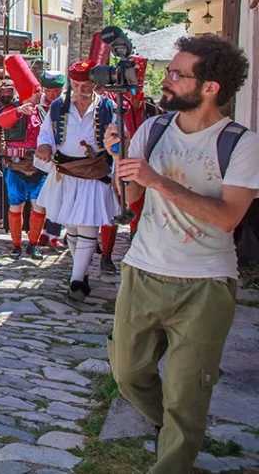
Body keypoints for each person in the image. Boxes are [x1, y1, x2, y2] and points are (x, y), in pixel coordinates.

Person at [106, 35, 257, 474]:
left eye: (177, 74)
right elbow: (132, 197)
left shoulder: (242, 144)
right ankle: (170, 426)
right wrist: (120, 160)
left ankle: (174, 452)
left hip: (206, 282)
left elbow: (227, 218)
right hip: (143, 271)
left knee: (188, 391)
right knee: (128, 374)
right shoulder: (153, 129)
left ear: (209, 87)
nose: (166, 80)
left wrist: (158, 180)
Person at [35, 60, 120, 302]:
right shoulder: (58, 107)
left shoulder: (108, 107)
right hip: (65, 173)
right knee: (71, 226)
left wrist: (116, 172)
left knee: (87, 224)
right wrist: (44, 146)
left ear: (95, 84)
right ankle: (80, 272)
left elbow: (117, 141)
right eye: (76, 85)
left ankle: (76, 280)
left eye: (86, 85)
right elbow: (46, 133)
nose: (81, 90)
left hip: (94, 174)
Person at [97, 56, 161, 272]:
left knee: (137, 207)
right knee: (112, 209)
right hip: (114, 160)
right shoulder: (111, 103)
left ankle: (136, 250)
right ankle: (106, 255)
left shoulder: (150, 108)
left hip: (142, 162)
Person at [0, 86, 48, 260]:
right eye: (36, 91)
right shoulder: (11, 109)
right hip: (15, 167)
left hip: (39, 167)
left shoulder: (44, 112)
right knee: (16, 205)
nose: (40, 94)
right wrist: (18, 111)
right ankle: (16, 245)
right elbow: (2, 121)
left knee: (39, 205)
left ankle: (33, 244)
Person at [37, 70, 66, 250]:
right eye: (48, 90)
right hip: (41, 158)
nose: (52, 94)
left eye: (56, 91)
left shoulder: (66, 105)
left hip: (61, 158)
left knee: (58, 196)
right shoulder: (35, 103)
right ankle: (40, 231)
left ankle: (54, 233)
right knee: (41, 197)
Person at [0, 80, 16, 229]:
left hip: (16, 153)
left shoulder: (18, 107)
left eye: (9, 91)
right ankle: (1, 217)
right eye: (3, 91)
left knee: (15, 188)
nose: (6, 94)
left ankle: (16, 219)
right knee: (0, 187)